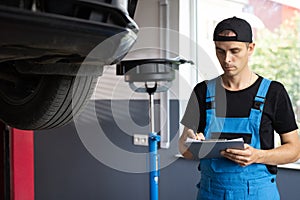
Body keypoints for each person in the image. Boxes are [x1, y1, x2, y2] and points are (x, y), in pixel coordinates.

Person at [178, 16, 300, 200]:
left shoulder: (274, 92)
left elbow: (294, 150)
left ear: (250, 48)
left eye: (235, 51)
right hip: (210, 192)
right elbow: (184, 150)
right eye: (220, 51)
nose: (227, 59)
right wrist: (189, 141)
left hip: (258, 192)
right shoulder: (202, 91)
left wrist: (257, 156)